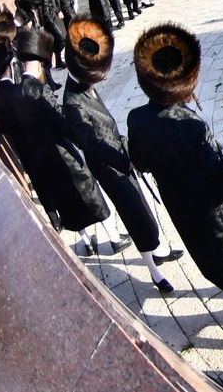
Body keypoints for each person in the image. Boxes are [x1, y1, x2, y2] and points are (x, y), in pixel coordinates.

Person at [127, 24, 223, 318]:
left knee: (201, 246)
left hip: (176, 200)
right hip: (210, 202)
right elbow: (217, 173)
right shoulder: (192, 125)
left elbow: (139, 162)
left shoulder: (136, 118)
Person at [59, 16, 179, 291]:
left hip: (120, 155)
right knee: (135, 215)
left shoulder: (83, 84)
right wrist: (126, 161)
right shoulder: (72, 103)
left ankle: (157, 250)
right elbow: (92, 145)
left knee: (143, 208)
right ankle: (154, 272)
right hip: (110, 167)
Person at [6, 28, 119, 255]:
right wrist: (81, 135)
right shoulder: (41, 90)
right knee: (89, 191)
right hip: (62, 152)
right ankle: (115, 237)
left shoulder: (16, 92)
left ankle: (86, 242)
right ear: (41, 64)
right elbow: (60, 122)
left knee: (65, 200)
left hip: (41, 156)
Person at [30, 0, 68, 68]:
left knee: (57, 40)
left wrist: (58, 11)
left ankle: (59, 62)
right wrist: (46, 22)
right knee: (60, 38)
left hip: (55, 17)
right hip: (48, 20)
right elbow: (41, 10)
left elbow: (53, 1)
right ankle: (52, 62)